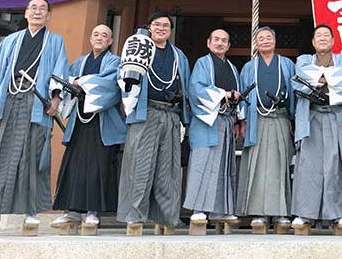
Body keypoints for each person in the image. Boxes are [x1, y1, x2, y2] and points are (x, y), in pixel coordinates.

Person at [0, 0, 67, 233]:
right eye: (34, 8)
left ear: (49, 15)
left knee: (33, 155)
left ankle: (31, 213)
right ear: (26, 13)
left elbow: (60, 70)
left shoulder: (54, 42)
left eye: (43, 9)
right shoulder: (10, 41)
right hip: (8, 99)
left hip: (36, 105)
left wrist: (56, 98)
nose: (38, 12)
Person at [117, 12, 191, 232]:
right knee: (140, 165)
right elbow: (124, 79)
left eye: (166, 25)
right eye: (157, 25)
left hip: (171, 114)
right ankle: (135, 216)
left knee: (168, 169)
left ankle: (166, 218)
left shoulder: (179, 56)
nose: (161, 28)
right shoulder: (139, 48)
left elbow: (185, 87)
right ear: (149, 27)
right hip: (146, 111)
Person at [51, 24, 125, 229]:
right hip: (79, 119)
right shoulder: (80, 62)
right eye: (96, 35)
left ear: (110, 41)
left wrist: (81, 82)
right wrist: (73, 82)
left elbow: (111, 85)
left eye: (105, 35)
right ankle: (72, 211)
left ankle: (93, 211)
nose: (99, 38)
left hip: (103, 121)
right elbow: (67, 80)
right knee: (73, 165)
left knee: (98, 166)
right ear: (90, 39)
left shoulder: (115, 61)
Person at [290, 24, 342, 232]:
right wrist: (330, 78)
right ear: (313, 41)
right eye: (318, 35)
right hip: (311, 116)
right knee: (307, 166)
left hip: (335, 116)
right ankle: (304, 213)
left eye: (326, 35)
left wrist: (318, 78)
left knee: (336, 164)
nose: (322, 38)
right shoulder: (303, 60)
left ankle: (340, 213)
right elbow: (301, 78)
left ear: (333, 40)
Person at [236, 27, 296, 229]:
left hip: (280, 119)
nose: (265, 41)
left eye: (268, 37)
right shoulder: (249, 67)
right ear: (256, 44)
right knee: (257, 164)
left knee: (281, 164)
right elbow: (243, 97)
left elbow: (294, 95)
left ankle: (281, 212)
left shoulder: (287, 64)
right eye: (261, 39)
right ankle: (259, 212)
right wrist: (243, 121)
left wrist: (294, 121)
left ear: (275, 41)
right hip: (257, 120)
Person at [184, 29, 243, 224]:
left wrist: (238, 119)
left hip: (226, 121)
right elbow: (196, 89)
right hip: (207, 121)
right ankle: (198, 209)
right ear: (208, 43)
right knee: (203, 164)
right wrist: (224, 94)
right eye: (216, 40)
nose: (219, 43)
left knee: (224, 165)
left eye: (224, 41)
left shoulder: (233, 68)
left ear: (228, 46)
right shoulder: (203, 63)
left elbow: (238, 96)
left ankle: (220, 210)